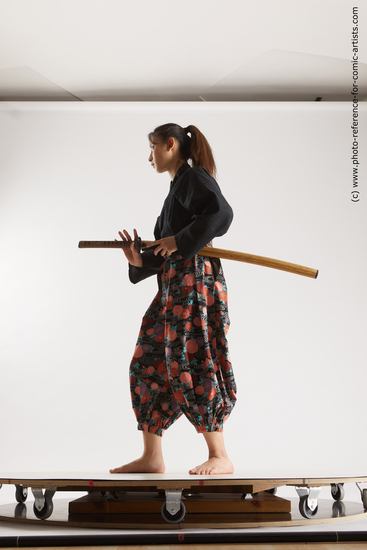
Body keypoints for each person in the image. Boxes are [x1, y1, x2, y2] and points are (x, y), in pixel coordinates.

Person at [109, 123, 237, 475]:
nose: (149, 156)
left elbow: (221, 214)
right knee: (147, 360)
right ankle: (152, 457)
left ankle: (219, 454)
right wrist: (141, 261)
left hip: (195, 283)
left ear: (171, 144)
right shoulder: (175, 190)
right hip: (172, 287)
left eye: (153, 147)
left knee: (192, 358)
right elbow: (167, 250)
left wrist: (179, 240)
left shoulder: (194, 178)